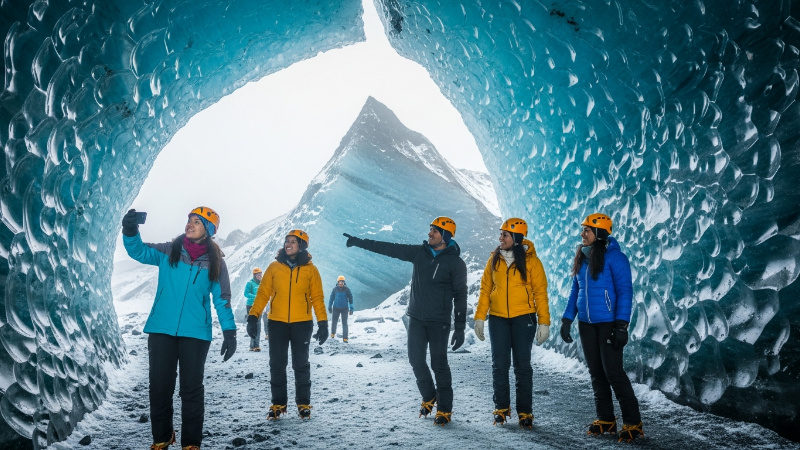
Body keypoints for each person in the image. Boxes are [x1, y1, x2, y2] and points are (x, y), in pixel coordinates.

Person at [121, 207, 237, 450]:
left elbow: (222, 299)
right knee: (160, 387)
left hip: (195, 334)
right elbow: (139, 251)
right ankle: (162, 438)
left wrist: (229, 331)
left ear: (209, 230)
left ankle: (191, 443)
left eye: (197, 221)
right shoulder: (169, 250)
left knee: (191, 390)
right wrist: (130, 230)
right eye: (189, 220)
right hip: (161, 329)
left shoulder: (216, 263)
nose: (190, 224)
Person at [343, 217, 467, 426]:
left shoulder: (456, 263)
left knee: (439, 364)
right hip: (417, 318)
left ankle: (444, 409)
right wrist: (359, 241)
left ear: (445, 236)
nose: (429, 234)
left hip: (439, 322)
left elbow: (460, 296)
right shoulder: (419, 253)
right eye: (429, 230)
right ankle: (429, 396)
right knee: (416, 360)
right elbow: (389, 248)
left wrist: (460, 327)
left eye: (434, 231)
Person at [560, 213, 643, 442]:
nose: (582, 234)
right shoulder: (583, 257)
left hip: (608, 323)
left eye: (586, 230)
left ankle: (633, 421)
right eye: (582, 230)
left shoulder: (616, 258)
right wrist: (567, 319)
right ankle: (606, 418)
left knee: (614, 373)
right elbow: (575, 291)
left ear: (599, 233)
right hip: (586, 323)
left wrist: (622, 325)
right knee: (596, 372)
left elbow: (625, 291)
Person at [473, 218, 550, 429]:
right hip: (497, 318)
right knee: (499, 365)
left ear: (516, 238)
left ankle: (525, 412)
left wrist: (544, 322)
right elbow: (485, 290)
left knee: (522, 366)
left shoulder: (532, 261)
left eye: (505, 235)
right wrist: (480, 317)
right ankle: (501, 408)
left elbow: (540, 293)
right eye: (501, 234)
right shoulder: (494, 260)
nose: (500, 238)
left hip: (523, 318)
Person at [246, 229, 328, 420]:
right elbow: (263, 294)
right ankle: (278, 403)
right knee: (277, 364)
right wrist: (253, 316)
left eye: (293, 241)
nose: (288, 244)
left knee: (301, 365)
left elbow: (317, 297)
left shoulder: (311, 270)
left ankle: (304, 404)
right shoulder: (274, 268)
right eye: (286, 241)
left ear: (302, 246)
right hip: (276, 323)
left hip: (302, 323)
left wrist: (323, 322)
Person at [244, 268, 266, 351]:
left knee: (258, 325)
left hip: (259, 305)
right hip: (250, 305)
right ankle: (252, 345)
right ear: (254, 275)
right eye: (258, 274)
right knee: (252, 324)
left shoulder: (263, 283)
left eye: (260, 274)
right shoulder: (250, 283)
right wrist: (255, 297)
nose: (259, 276)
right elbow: (246, 294)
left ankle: (256, 345)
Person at [328, 276, 354, 342]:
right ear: (338, 282)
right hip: (336, 308)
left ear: (344, 282)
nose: (341, 283)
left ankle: (345, 338)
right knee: (334, 322)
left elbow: (351, 298)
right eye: (340, 281)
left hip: (344, 309)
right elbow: (331, 298)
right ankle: (333, 334)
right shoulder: (335, 289)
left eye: (342, 281)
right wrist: (329, 306)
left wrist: (351, 308)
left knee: (344, 323)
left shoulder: (347, 289)